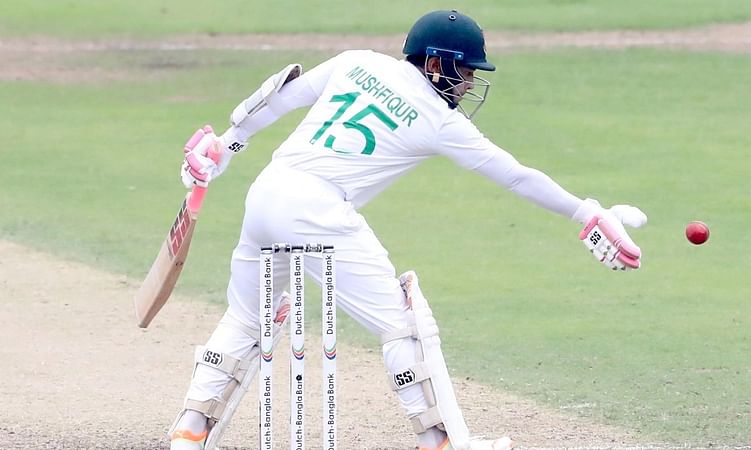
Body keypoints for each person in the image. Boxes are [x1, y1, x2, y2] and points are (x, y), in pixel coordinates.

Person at [168, 9, 647, 450]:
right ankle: (439, 440)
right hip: (319, 209)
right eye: (466, 72)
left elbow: (279, 96)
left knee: (247, 317)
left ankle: (191, 429)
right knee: (404, 324)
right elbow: (517, 175)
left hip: (267, 192)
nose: (469, 84)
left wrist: (224, 146)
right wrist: (587, 214)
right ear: (437, 63)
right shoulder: (439, 121)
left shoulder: (358, 61)